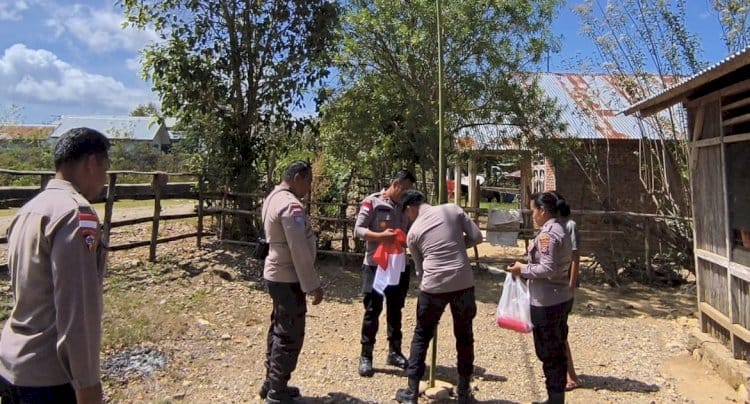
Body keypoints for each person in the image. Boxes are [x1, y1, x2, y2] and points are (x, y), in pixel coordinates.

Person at [0, 127, 111, 404]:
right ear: (91, 163)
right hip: (48, 378)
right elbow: (77, 309)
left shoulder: (29, 210)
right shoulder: (76, 214)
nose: (105, 179)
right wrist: (87, 385)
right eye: (105, 168)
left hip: (12, 364)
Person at [395, 190, 483, 404]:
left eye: (406, 214)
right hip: (463, 282)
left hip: (433, 287)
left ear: (410, 208)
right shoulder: (452, 209)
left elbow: (420, 269)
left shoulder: (413, 233)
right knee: (464, 336)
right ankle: (463, 392)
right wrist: (459, 246)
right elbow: (477, 237)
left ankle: (411, 391)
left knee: (421, 336)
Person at [259, 161, 323, 404]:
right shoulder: (290, 205)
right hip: (287, 276)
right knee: (289, 333)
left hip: (276, 273)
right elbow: (299, 250)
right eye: (307, 182)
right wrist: (312, 284)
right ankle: (277, 392)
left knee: (278, 328)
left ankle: (272, 381)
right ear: (297, 178)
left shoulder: (272, 197)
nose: (307, 189)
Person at [508, 191, 573, 404]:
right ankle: (555, 397)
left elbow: (547, 267)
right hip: (561, 296)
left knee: (549, 353)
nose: (532, 215)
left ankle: (554, 399)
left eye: (533, 210)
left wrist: (522, 269)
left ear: (543, 211)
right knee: (557, 349)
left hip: (547, 301)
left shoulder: (547, 234)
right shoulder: (562, 228)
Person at [354, 170, 416, 377]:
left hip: (398, 265)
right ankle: (366, 355)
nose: (406, 194)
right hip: (376, 264)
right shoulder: (373, 202)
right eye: (404, 189)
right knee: (372, 309)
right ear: (395, 184)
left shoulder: (407, 208)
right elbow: (359, 230)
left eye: (409, 190)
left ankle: (395, 352)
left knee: (395, 309)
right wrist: (381, 236)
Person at [554, 193, 581, 392]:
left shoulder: (569, 226)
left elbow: (575, 257)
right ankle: (561, 370)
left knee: (560, 332)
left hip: (564, 286)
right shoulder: (555, 228)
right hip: (556, 285)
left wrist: (571, 284)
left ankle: (571, 376)